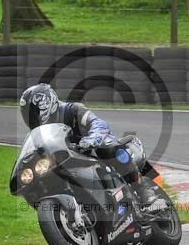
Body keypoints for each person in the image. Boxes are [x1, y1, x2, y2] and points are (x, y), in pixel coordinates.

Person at [19, 83, 159, 210]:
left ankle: (143, 189)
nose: (31, 118)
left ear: (48, 104)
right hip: (68, 160)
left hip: (92, 149)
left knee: (108, 146)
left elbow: (97, 123)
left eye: (33, 113)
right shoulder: (38, 134)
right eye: (27, 114)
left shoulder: (72, 110)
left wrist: (93, 138)